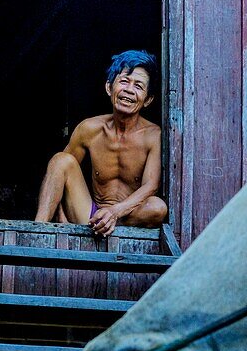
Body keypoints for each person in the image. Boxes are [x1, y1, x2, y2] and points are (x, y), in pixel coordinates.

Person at [34, 50, 167, 236]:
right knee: (60, 159)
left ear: (148, 99)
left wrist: (114, 212)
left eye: (138, 86)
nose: (129, 90)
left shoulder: (154, 135)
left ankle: (112, 227)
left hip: (127, 218)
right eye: (123, 81)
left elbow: (151, 185)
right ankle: (36, 231)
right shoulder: (89, 128)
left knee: (158, 207)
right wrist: (60, 215)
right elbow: (58, 175)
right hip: (90, 217)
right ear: (109, 88)